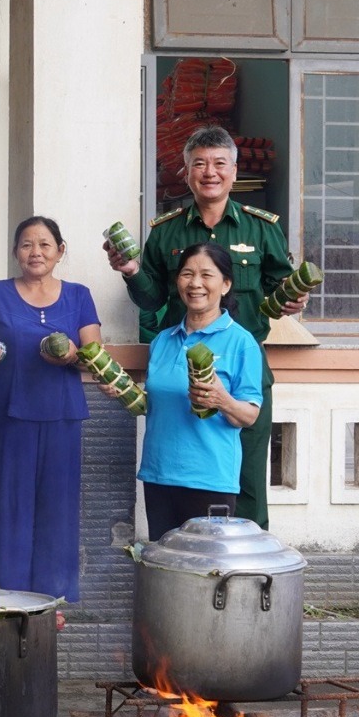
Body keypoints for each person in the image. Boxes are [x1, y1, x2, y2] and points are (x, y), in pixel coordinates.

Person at [106, 125, 302, 531]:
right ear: (186, 172)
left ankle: (248, 578)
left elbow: (280, 293)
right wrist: (130, 271)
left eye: (219, 164)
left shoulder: (261, 227)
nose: (209, 172)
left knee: (247, 482)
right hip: (180, 365)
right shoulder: (166, 231)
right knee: (180, 483)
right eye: (199, 164)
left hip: (241, 369)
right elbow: (153, 300)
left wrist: (296, 298)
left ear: (234, 171)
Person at [0, 217, 100, 603]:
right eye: (26, 245)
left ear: (61, 250)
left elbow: (94, 356)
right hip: (10, 410)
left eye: (45, 244)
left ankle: (53, 596)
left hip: (61, 413)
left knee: (57, 508)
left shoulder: (78, 295)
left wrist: (73, 355)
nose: (36, 252)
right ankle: (4, 593)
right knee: (8, 503)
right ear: (15, 253)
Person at [109, 242, 263, 540]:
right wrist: (120, 391)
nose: (195, 283)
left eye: (207, 275)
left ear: (226, 284)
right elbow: (156, 406)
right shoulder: (163, 341)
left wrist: (222, 399)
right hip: (159, 474)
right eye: (187, 274)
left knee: (205, 576)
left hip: (209, 479)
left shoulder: (241, 343)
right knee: (166, 569)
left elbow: (250, 416)